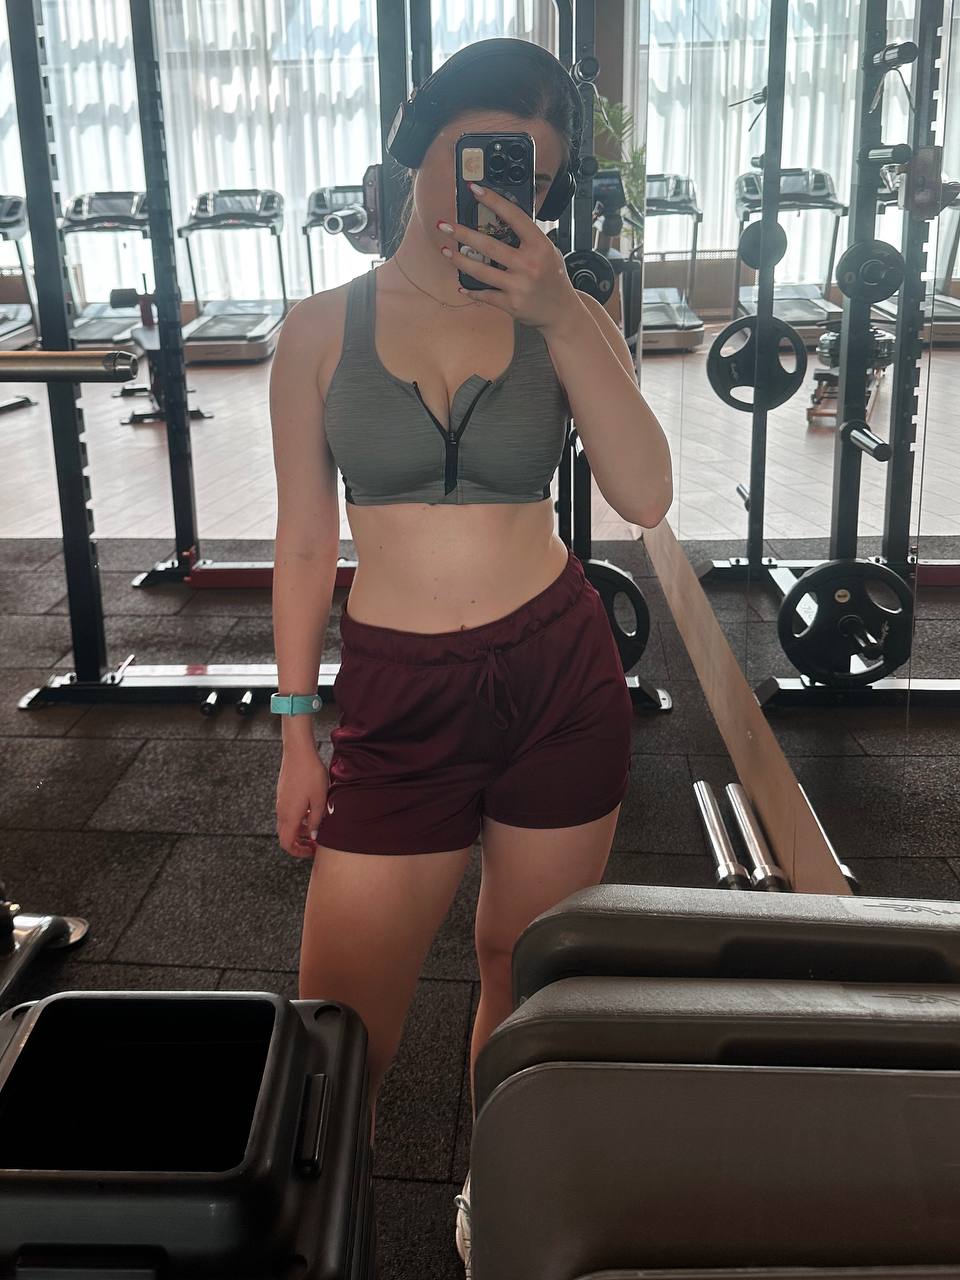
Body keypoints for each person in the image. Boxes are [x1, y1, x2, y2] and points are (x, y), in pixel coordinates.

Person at [269, 37, 672, 1276]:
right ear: (416, 146)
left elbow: (647, 493)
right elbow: (303, 537)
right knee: (339, 1030)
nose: (502, 193)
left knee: (522, 962)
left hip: (557, 676)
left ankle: (492, 1190)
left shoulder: (567, 315)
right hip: (399, 693)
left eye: (531, 180)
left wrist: (560, 311)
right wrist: (295, 725)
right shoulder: (318, 329)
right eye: (479, 158)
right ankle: (323, 1238)